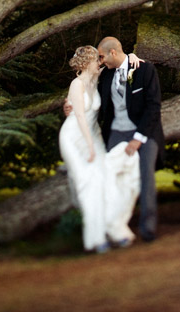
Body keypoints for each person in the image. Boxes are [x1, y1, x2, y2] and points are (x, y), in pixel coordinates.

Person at [67, 37, 165, 243]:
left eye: (102, 57)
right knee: (112, 179)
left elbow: (153, 107)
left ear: (112, 53)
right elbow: (85, 85)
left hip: (144, 132)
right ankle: (115, 227)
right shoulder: (106, 74)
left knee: (145, 178)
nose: (100, 61)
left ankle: (148, 228)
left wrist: (138, 139)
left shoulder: (145, 70)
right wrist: (68, 105)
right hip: (117, 133)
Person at [59, 45, 140, 253]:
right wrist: (89, 146)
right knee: (89, 186)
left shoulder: (96, 78)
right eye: (97, 60)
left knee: (106, 180)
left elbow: (121, 60)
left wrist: (131, 55)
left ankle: (114, 229)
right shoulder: (76, 85)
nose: (100, 63)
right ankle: (95, 238)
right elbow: (78, 117)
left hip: (93, 137)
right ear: (87, 63)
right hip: (75, 139)